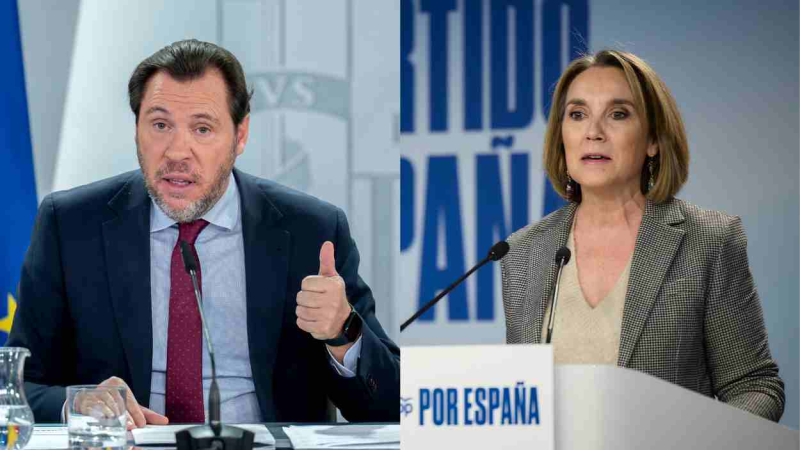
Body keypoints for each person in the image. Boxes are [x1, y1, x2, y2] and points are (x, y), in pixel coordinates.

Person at [8, 39, 399, 426]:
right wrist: (76, 403)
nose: (178, 152)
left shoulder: (310, 231)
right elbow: (16, 388)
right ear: (137, 129)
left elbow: (391, 405)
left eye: (202, 129)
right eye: (160, 125)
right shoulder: (71, 226)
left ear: (240, 135)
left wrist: (344, 331)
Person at [500, 50, 784, 421]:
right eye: (577, 114)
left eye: (618, 114)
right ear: (561, 137)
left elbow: (754, 386)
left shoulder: (708, 241)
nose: (593, 132)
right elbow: (520, 402)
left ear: (652, 140)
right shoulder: (522, 252)